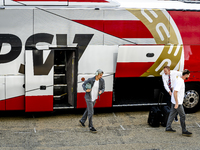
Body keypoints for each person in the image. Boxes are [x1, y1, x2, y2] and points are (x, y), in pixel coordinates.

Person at [165, 69, 192, 136]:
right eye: (188, 75)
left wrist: (174, 101)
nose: (189, 76)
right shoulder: (180, 81)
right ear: (186, 75)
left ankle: (168, 127)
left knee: (172, 114)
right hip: (178, 102)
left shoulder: (177, 79)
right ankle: (184, 130)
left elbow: (173, 88)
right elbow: (175, 91)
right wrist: (177, 103)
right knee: (182, 116)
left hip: (174, 101)